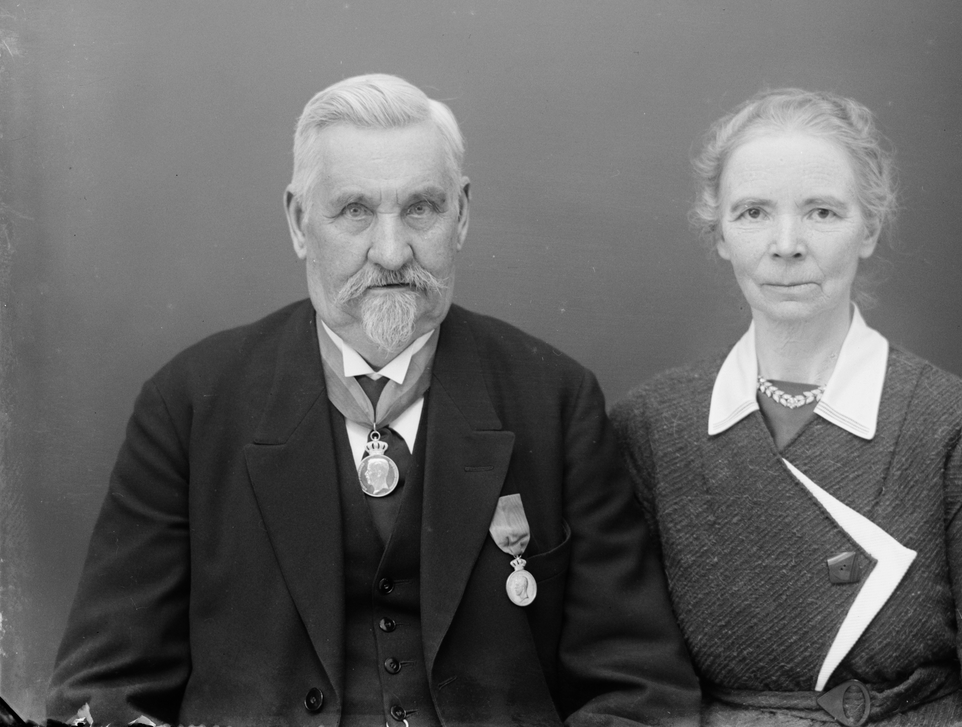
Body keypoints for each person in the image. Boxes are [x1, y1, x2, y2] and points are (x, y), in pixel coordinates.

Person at [47, 74, 700, 727]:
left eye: (421, 208)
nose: (391, 252)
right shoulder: (188, 407)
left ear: (461, 215)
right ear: (299, 222)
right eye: (355, 211)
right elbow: (104, 695)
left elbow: (641, 691)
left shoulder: (555, 403)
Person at [610, 89, 962, 727]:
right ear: (719, 233)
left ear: (870, 230)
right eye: (753, 212)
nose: (787, 244)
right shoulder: (650, 428)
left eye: (822, 212)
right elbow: (629, 692)